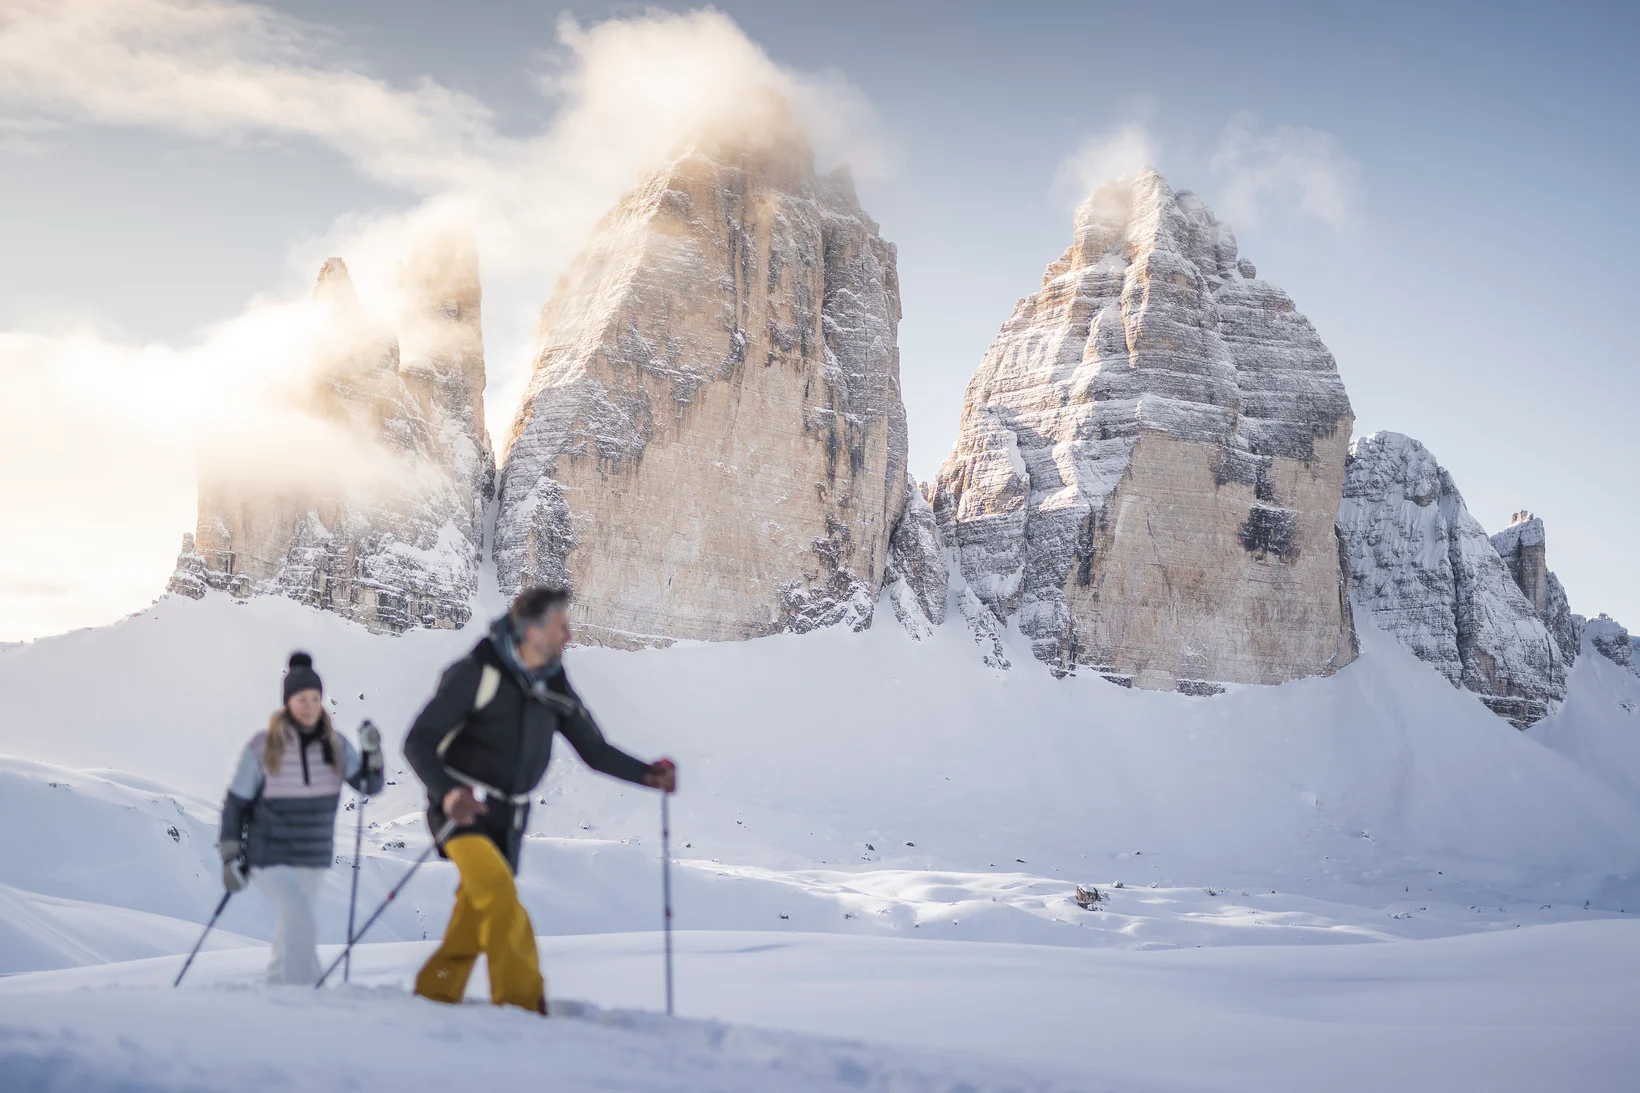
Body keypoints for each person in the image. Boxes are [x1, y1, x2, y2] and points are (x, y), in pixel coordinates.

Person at [403, 585, 677, 1014]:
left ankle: (434, 995)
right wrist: (449, 792)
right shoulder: (477, 673)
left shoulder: (554, 685)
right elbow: (418, 741)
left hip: (509, 817)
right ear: (532, 631)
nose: (569, 635)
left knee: (475, 912)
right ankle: (523, 1006)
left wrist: (648, 774)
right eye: (561, 626)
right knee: (496, 894)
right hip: (461, 809)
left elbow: (594, 750)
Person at [219, 651, 385, 985]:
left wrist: (372, 753)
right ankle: (303, 994)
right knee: (299, 916)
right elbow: (236, 803)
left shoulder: (336, 746)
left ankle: (279, 988)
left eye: (314, 699)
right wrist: (230, 857)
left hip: (312, 856)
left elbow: (369, 784)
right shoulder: (263, 747)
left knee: (294, 924)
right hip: (269, 854)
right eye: (301, 699)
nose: (309, 706)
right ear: (287, 703)